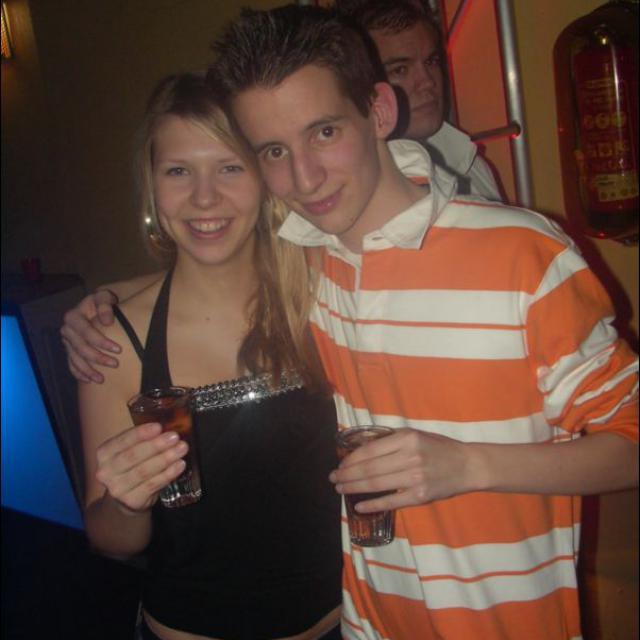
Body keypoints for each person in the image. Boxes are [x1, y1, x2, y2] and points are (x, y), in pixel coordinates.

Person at [62, 6, 639, 640]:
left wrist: (470, 466)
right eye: (274, 151)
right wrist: (102, 304)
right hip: (362, 625)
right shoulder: (313, 271)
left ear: (379, 112)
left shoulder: (508, 257)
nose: (304, 176)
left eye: (325, 132)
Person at [73, 71, 342, 640]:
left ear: (265, 179)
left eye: (229, 167)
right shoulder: (115, 336)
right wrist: (127, 504)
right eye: (178, 171)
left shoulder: (321, 294)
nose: (203, 198)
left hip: (338, 625)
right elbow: (108, 538)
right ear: (152, 185)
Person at [335, 0, 503, 201]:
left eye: (431, 61)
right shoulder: (345, 194)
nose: (427, 82)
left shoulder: (470, 163)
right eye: (400, 70)